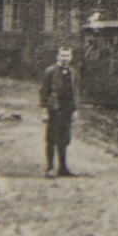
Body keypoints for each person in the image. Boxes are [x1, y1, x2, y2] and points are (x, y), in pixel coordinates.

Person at [39, 47, 78, 178]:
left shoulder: (72, 72)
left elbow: (74, 92)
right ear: (57, 57)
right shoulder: (50, 71)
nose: (65, 58)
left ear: (71, 57)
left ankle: (63, 168)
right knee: (51, 139)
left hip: (67, 109)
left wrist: (75, 110)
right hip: (54, 109)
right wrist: (44, 110)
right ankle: (50, 168)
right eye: (62, 55)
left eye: (67, 56)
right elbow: (44, 91)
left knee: (64, 139)